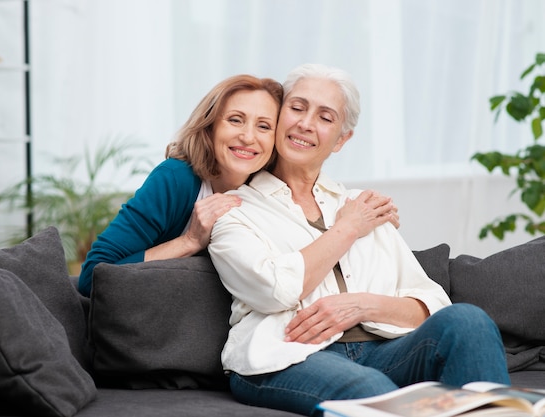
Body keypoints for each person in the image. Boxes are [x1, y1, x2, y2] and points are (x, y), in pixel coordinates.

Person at [207, 63, 510, 417]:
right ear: (278, 116)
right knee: (373, 393)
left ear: (341, 139)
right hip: (284, 356)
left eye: (325, 117)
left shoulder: (362, 205)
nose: (306, 123)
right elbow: (275, 291)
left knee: (469, 322)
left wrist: (363, 305)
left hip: (383, 351)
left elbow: (431, 305)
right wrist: (348, 228)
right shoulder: (235, 210)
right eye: (298, 107)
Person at [78, 74, 283, 296]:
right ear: (209, 127)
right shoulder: (175, 179)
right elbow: (93, 277)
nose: (248, 137)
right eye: (235, 120)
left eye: (264, 126)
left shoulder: (273, 193)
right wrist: (189, 241)